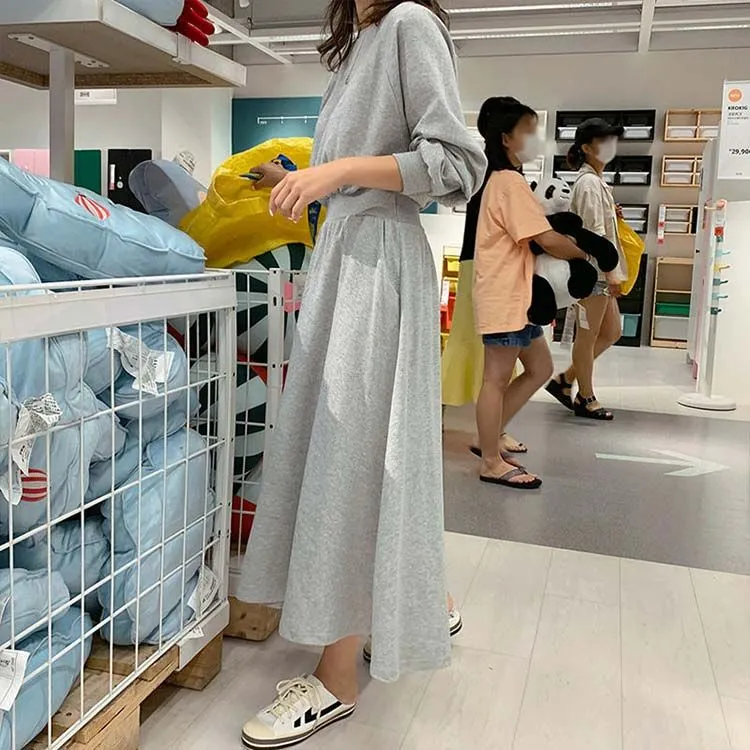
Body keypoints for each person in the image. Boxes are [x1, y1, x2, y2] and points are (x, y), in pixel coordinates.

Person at [236, 1, 486, 748]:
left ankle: (337, 676)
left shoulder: (408, 22)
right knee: (357, 452)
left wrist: (338, 172)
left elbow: (457, 164)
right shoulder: (361, 43)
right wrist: (304, 179)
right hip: (349, 257)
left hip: (376, 262)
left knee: (350, 456)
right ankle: (401, 605)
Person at [473, 98, 591, 489]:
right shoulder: (508, 182)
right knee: (495, 378)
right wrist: (584, 255)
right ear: (506, 138)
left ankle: (489, 438)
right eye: (528, 130)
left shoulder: (510, 181)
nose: (535, 138)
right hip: (505, 295)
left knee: (539, 368)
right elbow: (545, 238)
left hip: (519, 296)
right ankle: (490, 460)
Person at [441, 98, 527, 459]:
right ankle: (474, 429)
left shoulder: (504, 168)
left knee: (492, 353)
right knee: (474, 346)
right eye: (528, 130)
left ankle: (491, 429)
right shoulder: (493, 169)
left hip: (492, 265)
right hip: (484, 265)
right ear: (506, 135)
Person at [546, 118, 628, 421]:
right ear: (586, 148)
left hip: (599, 271)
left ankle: (565, 380)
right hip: (594, 272)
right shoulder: (590, 183)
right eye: (602, 141)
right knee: (588, 336)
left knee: (611, 332)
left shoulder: (595, 182)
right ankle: (586, 396)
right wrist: (610, 272)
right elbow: (593, 234)